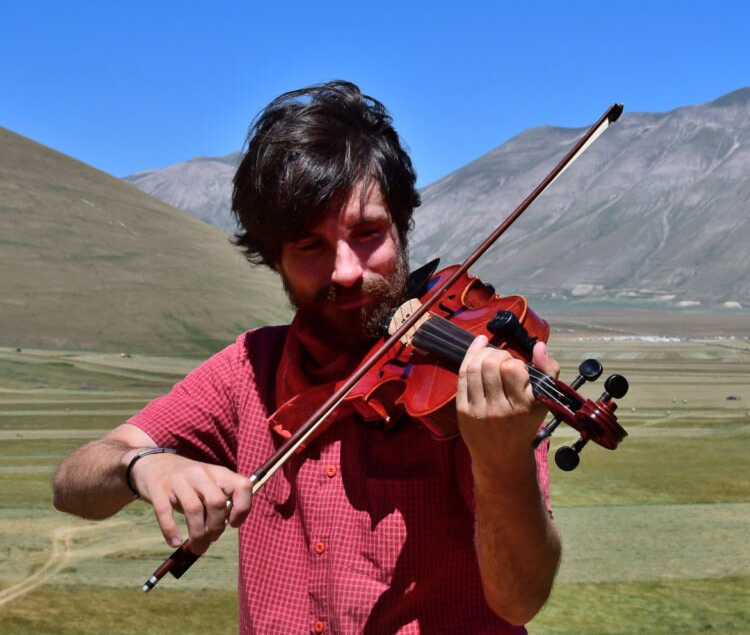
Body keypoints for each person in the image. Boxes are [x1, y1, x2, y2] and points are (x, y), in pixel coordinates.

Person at [52, 81, 561, 634]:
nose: (345, 269)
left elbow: (520, 601)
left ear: (404, 224)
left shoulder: (472, 376)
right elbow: (73, 485)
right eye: (311, 246)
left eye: (368, 234)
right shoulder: (249, 367)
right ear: (275, 261)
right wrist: (139, 465)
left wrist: (501, 459)